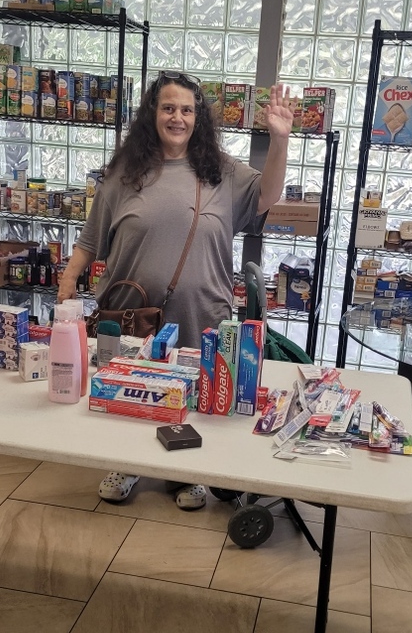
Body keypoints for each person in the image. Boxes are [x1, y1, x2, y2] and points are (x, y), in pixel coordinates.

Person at [58, 70, 294, 508]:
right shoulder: (125, 173)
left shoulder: (221, 172)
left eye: (187, 110)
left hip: (202, 311)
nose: (178, 118)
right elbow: (91, 238)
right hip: (130, 312)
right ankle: (127, 463)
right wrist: (69, 279)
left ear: (198, 118)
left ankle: (187, 473)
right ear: (153, 114)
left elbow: (268, 194)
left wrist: (279, 141)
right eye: (168, 108)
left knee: (193, 392)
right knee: (131, 388)